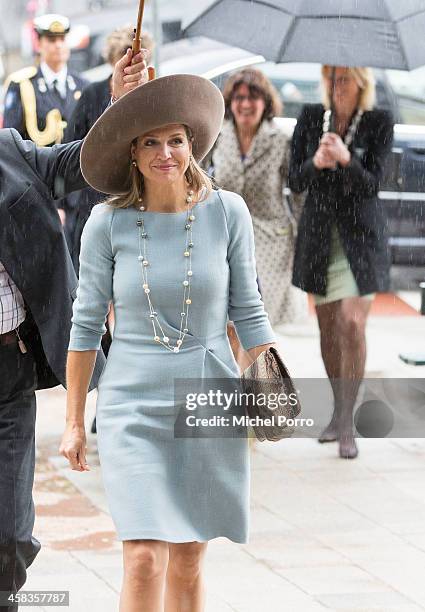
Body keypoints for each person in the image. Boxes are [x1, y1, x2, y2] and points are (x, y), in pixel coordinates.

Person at [59, 74, 276, 611]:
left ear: (192, 144)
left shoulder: (228, 213)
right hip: (131, 400)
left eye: (175, 139)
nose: (165, 153)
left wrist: (267, 391)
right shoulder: (106, 223)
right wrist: (72, 421)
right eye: (150, 142)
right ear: (132, 153)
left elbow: (248, 312)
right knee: (144, 559)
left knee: (187, 561)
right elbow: (85, 325)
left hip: (208, 394)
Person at [0, 50, 147, 612]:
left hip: (9, 368)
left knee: (10, 526)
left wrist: (117, 102)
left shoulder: (11, 150)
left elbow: (79, 163)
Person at [288, 65, 394, 459]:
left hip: (360, 240)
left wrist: (348, 160)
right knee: (329, 328)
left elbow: (374, 184)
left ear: (360, 84)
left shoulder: (378, 121)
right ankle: (337, 409)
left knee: (352, 322)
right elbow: (295, 180)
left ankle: (348, 421)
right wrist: (317, 161)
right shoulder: (312, 117)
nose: (338, 87)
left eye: (345, 80)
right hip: (320, 238)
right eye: (332, 79)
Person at [208, 67, 307, 327]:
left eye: (253, 98)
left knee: (258, 322)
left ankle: (254, 369)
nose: (246, 105)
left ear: (266, 102)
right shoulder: (217, 137)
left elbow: (298, 192)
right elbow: (197, 181)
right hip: (223, 237)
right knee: (226, 320)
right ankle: (236, 369)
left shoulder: (281, 140)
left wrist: (303, 237)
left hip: (271, 242)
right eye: (239, 98)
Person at [63, 25, 154, 272]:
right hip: (95, 196)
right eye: (124, 53)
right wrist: (65, 204)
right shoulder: (92, 94)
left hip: (139, 196)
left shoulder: (153, 90)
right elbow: (71, 145)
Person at [2, 13, 88, 245]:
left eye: (62, 39)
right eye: (51, 39)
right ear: (39, 44)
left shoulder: (82, 85)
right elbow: (12, 148)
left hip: (79, 196)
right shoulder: (22, 85)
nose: (58, 45)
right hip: (41, 194)